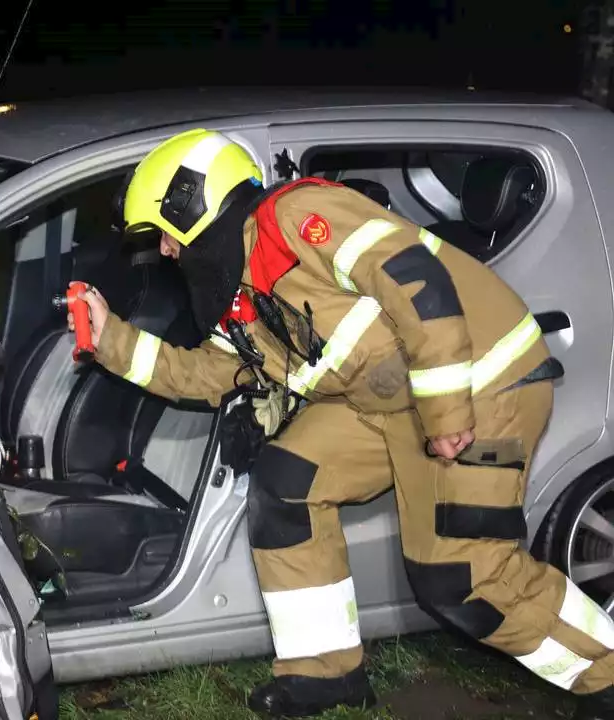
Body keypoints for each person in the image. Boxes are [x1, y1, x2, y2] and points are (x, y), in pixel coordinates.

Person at [69, 128, 614, 719]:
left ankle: (605, 674)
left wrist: (448, 412)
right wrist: (109, 340)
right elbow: (209, 374)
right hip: (385, 404)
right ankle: (326, 674)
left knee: (463, 577)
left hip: (478, 385)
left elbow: (417, 284)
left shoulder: (301, 215)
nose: (167, 253)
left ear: (193, 204)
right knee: (286, 484)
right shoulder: (244, 290)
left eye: (165, 237)